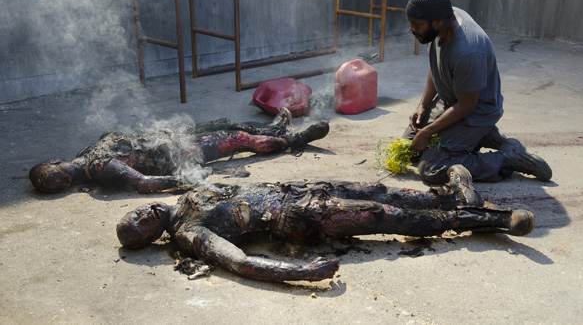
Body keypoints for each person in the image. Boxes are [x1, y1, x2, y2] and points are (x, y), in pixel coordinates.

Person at [117, 165, 535, 282]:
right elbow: (238, 261)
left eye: (131, 214)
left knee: (380, 191)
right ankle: (488, 220)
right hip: (301, 217)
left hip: (301, 188)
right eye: (136, 227)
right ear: (149, 240)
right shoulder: (189, 232)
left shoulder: (184, 196)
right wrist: (299, 272)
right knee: (385, 216)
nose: (139, 216)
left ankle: (453, 194)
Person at [403, 0, 552, 184]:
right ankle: (484, 138)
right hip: (453, 100)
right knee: (408, 148)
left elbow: (467, 105)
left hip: (476, 111)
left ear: (437, 21)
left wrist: (428, 131)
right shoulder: (443, 19)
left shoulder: (467, 50)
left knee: (431, 168)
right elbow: (436, 66)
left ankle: (507, 159)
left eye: (416, 24)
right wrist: (422, 104)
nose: (411, 29)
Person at [29, 108, 329, 194]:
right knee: (238, 139)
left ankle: (277, 129)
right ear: (57, 164)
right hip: (179, 154)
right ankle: (294, 140)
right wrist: (196, 177)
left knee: (224, 122)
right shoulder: (99, 166)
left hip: (169, 137)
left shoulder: (87, 153)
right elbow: (144, 182)